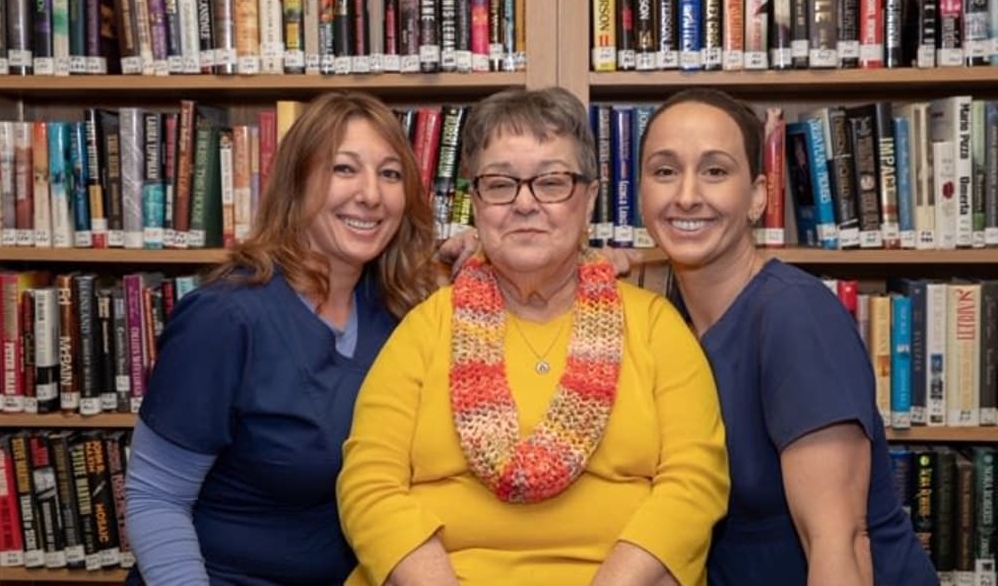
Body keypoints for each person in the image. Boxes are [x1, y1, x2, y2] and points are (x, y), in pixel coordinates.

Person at [337, 87, 729, 586]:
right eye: (500, 184)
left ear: (588, 201)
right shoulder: (427, 325)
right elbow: (369, 483)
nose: (525, 204)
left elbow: (694, 485)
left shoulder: (655, 326)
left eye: (551, 182)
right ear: (476, 203)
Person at [124, 90, 437, 585]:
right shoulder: (226, 318)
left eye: (391, 174)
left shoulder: (399, 311)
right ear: (296, 183)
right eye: (344, 169)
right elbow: (155, 499)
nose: (371, 195)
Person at [637, 88, 937, 585]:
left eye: (715, 171)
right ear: (641, 190)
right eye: (665, 171)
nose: (686, 195)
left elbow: (839, 540)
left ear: (757, 196)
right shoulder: (660, 312)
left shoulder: (793, 316)